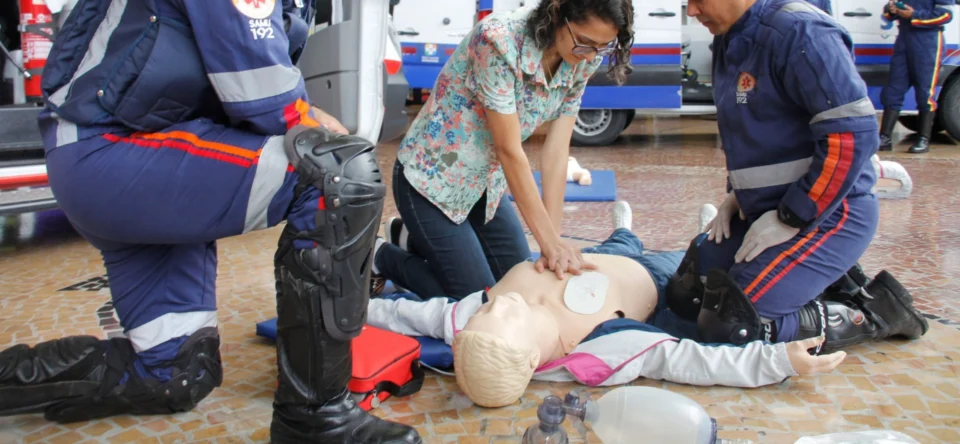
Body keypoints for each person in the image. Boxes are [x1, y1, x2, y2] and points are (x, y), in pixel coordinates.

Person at [0, 0, 420, 443]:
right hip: (112, 153)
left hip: (147, 152)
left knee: (178, 373)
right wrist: (326, 128)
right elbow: (266, 95)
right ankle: (315, 420)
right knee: (341, 176)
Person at [365, 202, 924, 409]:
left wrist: (340, 307)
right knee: (714, 296)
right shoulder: (603, 353)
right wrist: (779, 363)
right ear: (534, 360)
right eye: (506, 319)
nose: (497, 305)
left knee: (616, 246)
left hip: (588, 258)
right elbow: (693, 363)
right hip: (655, 287)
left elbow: (406, 314)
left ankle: (625, 228)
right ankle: (862, 309)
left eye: (486, 314)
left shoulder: (467, 319)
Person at [668, 0, 927, 353]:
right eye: (687, 0)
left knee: (731, 325)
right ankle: (828, 282)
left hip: (828, 213)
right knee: (687, 294)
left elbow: (852, 137)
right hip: (768, 208)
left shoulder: (800, 34)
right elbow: (757, 130)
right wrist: (737, 195)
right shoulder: (730, 39)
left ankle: (873, 312)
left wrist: (791, 217)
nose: (692, 10)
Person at [375, 0, 635, 300]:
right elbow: (509, 148)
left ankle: (409, 237)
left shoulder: (585, 55)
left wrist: (552, 239)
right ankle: (382, 256)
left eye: (603, 47)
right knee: (482, 301)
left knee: (520, 285)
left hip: (486, 185)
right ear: (558, 12)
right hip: (431, 181)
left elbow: (556, 151)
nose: (591, 56)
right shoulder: (498, 41)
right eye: (585, 43)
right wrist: (547, 242)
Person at [879, 0, 955, 154]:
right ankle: (884, 137)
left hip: (928, 42)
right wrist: (891, 9)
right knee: (893, 89)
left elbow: (946, 15)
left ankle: (923, 138)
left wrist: (914, 15)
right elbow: (887, 13)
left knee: (925, 92)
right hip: (904, 42)